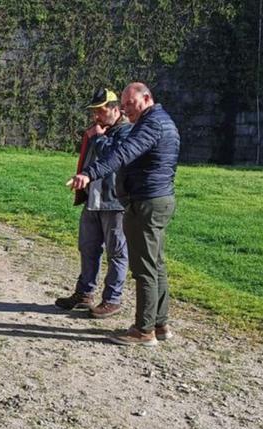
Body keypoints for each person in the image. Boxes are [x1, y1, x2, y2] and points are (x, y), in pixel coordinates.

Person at [71, 82, 179, 346]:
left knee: (144, 269)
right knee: (156, 265)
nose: (127, 108)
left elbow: (123, 153)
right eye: (125, 104)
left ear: (147, 98)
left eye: (131, 104)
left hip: (147, 202)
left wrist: (89, 173)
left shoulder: (151, 124)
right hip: (157, 199)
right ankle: (160, 323)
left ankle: (144, 330)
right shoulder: (161, 121)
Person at [55, 88, 131, 318]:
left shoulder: (127, 131)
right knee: (88, 247)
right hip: (93, 198)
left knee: (116, 252)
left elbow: (114, 158)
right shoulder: (99, 130)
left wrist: (98, 137)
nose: (96, 116)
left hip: (115, 201)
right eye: (94, 111)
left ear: (116, 110)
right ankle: (85, 293)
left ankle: (112, 299)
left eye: (101, 111)